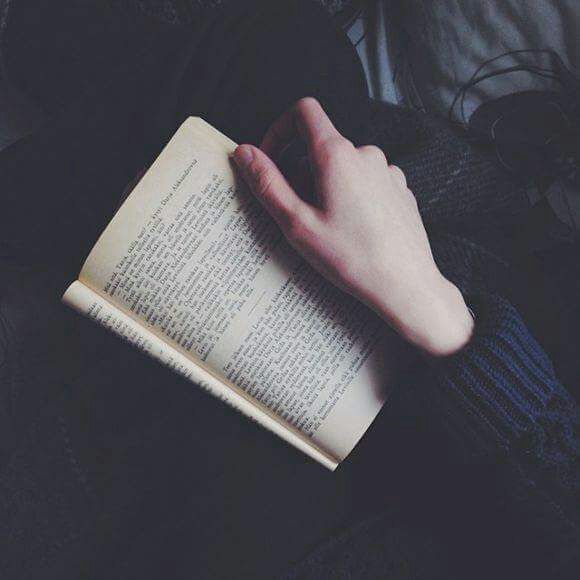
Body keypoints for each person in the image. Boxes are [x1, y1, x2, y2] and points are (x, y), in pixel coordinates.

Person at [0, 1, 577, 578]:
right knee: (288, 67)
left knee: (264, 62)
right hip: (475, 358)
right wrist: (430, 302)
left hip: (357, 499)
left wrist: (430, 300)